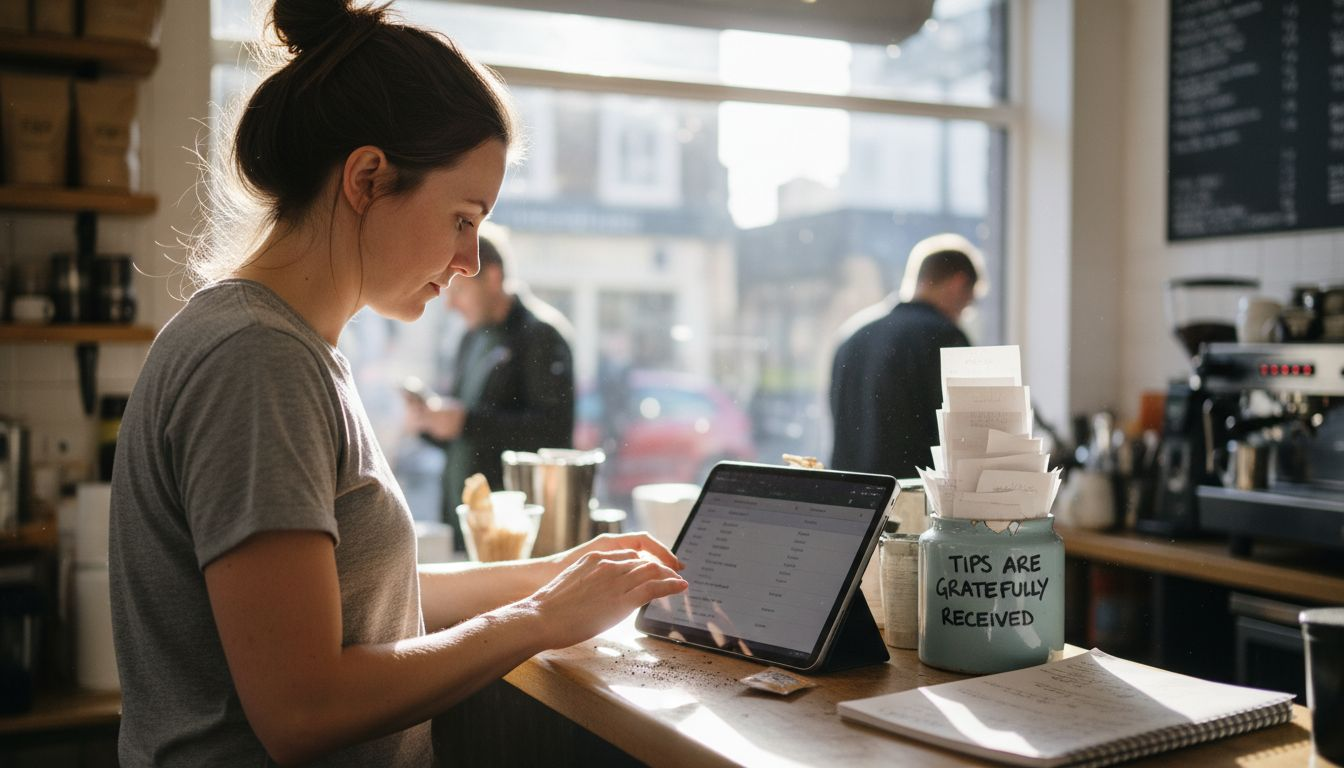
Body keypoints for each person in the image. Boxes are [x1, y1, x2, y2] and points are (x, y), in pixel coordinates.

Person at [107, 2, 687, 765]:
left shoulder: (286, 347)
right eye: (461, 218)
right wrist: (542, 616)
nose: (470, 261)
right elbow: (304, 709)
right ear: (369, 178)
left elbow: (363, 600)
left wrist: (556, 575)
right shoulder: (257, 359)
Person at [405, 229, 574, 540]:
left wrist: (466, 422)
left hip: (513, 527)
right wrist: (431, 424)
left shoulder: (542, 336)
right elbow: (464, 432)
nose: (451, 306)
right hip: (463, 523)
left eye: (459, 292)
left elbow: (553, 434)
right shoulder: (471, 338)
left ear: (493, 278)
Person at [828, 233, 985, 479]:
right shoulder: (943, 337)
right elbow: (965, 438)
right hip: (912, 503)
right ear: (958, 283)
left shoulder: (853, 334)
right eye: (969, 302)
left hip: (852, 501)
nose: (965, 312)